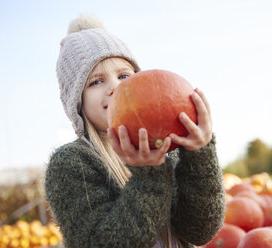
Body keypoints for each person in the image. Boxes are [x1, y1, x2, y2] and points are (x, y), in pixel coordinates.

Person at [44, 15, 225, 248]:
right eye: (96, 82)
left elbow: (200, 231)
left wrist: (199, 153)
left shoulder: (168, 147)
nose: (115, 87)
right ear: (77, 102)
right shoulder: (71, 163)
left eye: (123, 76)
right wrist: (149, 174)